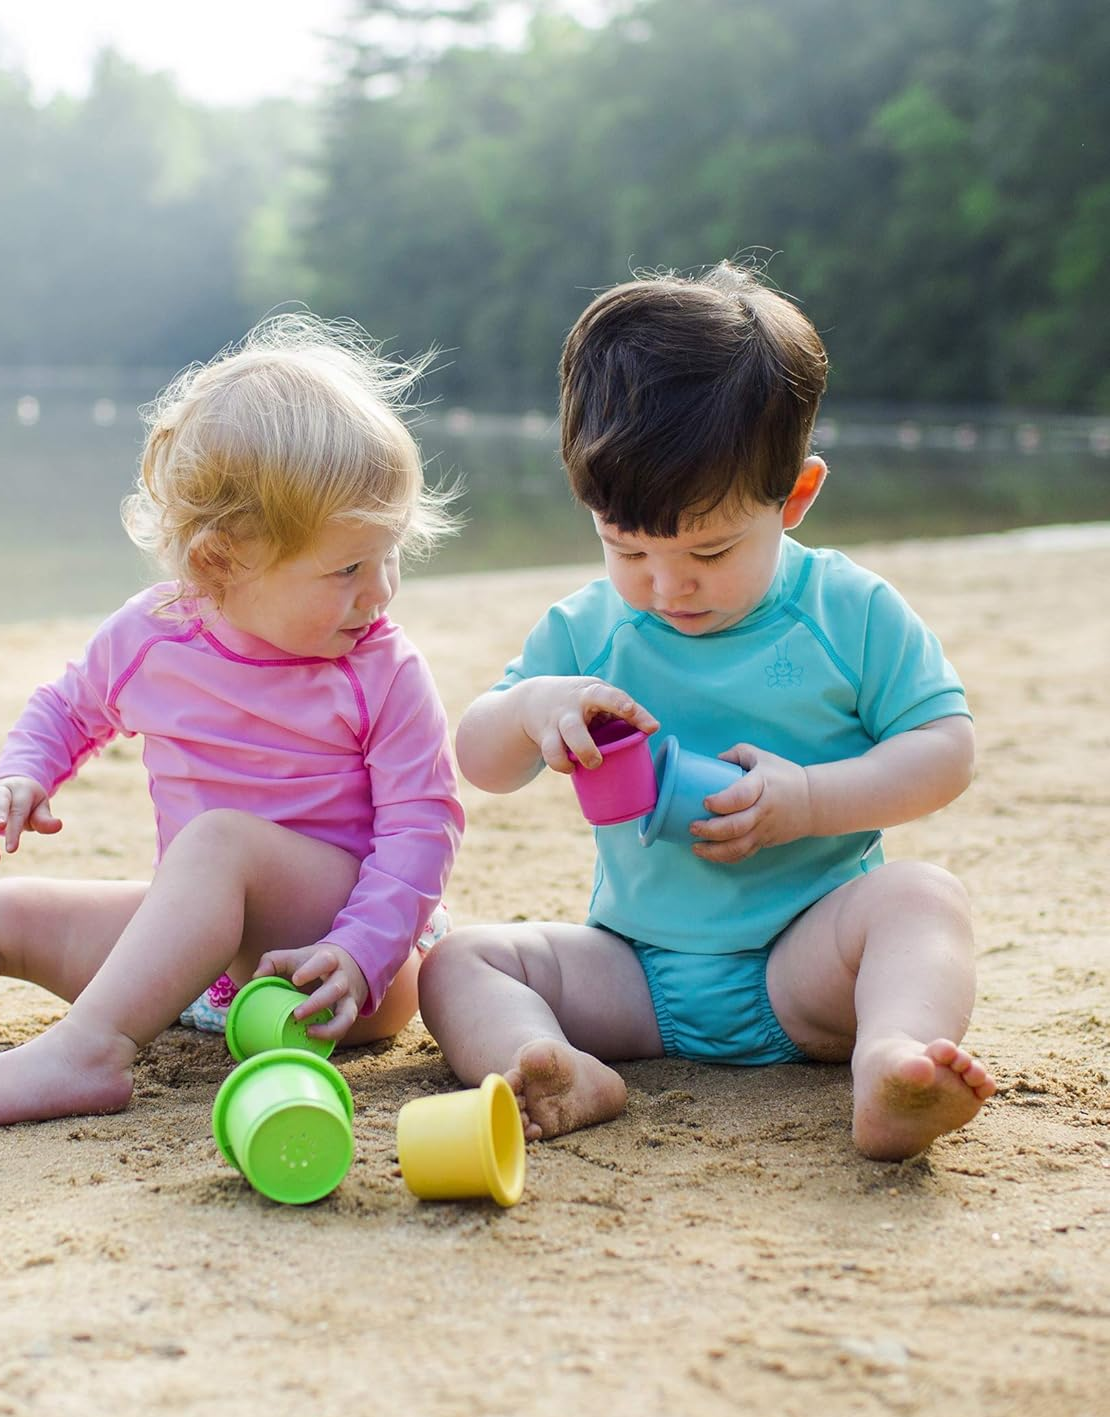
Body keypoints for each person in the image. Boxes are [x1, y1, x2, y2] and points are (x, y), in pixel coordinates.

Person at [0, 313, 464, 1130]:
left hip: (342, 972)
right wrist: (24, 771)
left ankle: (91, 1049)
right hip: (199, 967)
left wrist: (361, 951)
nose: (381, 590)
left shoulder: (382, 672)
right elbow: (67, 706)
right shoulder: (155, 636)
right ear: (221, 563)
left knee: (216, 842)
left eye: (388, 553)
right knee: (1, 918)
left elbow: (422, 826)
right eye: (349, 568)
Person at [419, 263, 994, 1162]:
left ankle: (891, 1063)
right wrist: (535, 708)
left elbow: (946, 749)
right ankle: (560, 1067)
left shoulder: (847, 610)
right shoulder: (588, 628)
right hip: (635, 970)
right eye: (629, 549)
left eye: (711, 550)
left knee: (922, 898)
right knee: (457, 964)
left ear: (794, 498)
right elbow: (481, 761)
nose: (668, 585)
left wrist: (808, 800)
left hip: (805, 960)